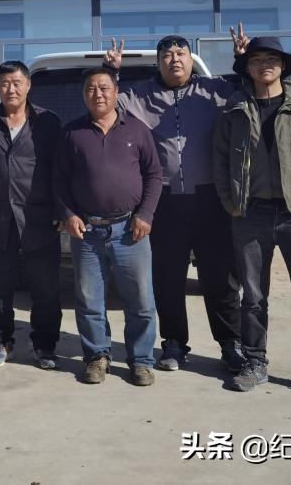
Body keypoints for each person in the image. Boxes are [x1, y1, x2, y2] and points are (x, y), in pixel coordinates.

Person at [104, 28, 248, 373]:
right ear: (158, 63)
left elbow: (248, 94)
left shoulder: (214, 91)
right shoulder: (139, 96)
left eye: (181, 53)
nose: (175, 60)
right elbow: (109, 101)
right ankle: (173, 344)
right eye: (167, 56)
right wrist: (112, 72)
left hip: (211, 198)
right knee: (167, 277)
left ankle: (230, 343)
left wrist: (242, 61)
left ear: (190, 59)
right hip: (165, 202)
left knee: (220, 277)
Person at [213, 37, 291, 401]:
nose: (264, 65)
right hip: (249, 214)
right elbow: (220, 161)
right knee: (252, 296)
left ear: (283, 66)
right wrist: (231, 202)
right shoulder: (234, 109)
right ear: (248, 67)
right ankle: (255, 362)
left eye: (272, 59)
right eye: (257, 60)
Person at [55, 66, 164, 386]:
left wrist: (145, 215)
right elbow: (58, 181)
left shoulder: (137, 130)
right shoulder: (72, 133)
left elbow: (154, 176)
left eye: (104, 87)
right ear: (83, 94)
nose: (98, 94)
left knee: (141, 301)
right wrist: (69, 214)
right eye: (90, 88)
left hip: (130, 230)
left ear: (117, 91)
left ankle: (141, 360)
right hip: (86, 231)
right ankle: (96, 357)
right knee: (89, 301)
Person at [0, 61, 64, 370]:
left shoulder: (48, 122)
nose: (10, 89)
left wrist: (60, 208)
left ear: (27, 85)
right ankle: (1, 341)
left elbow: (59, 169)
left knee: (46, 287)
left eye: (16, 83)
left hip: (40, 216)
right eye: (4, 84)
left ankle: (45, 345)